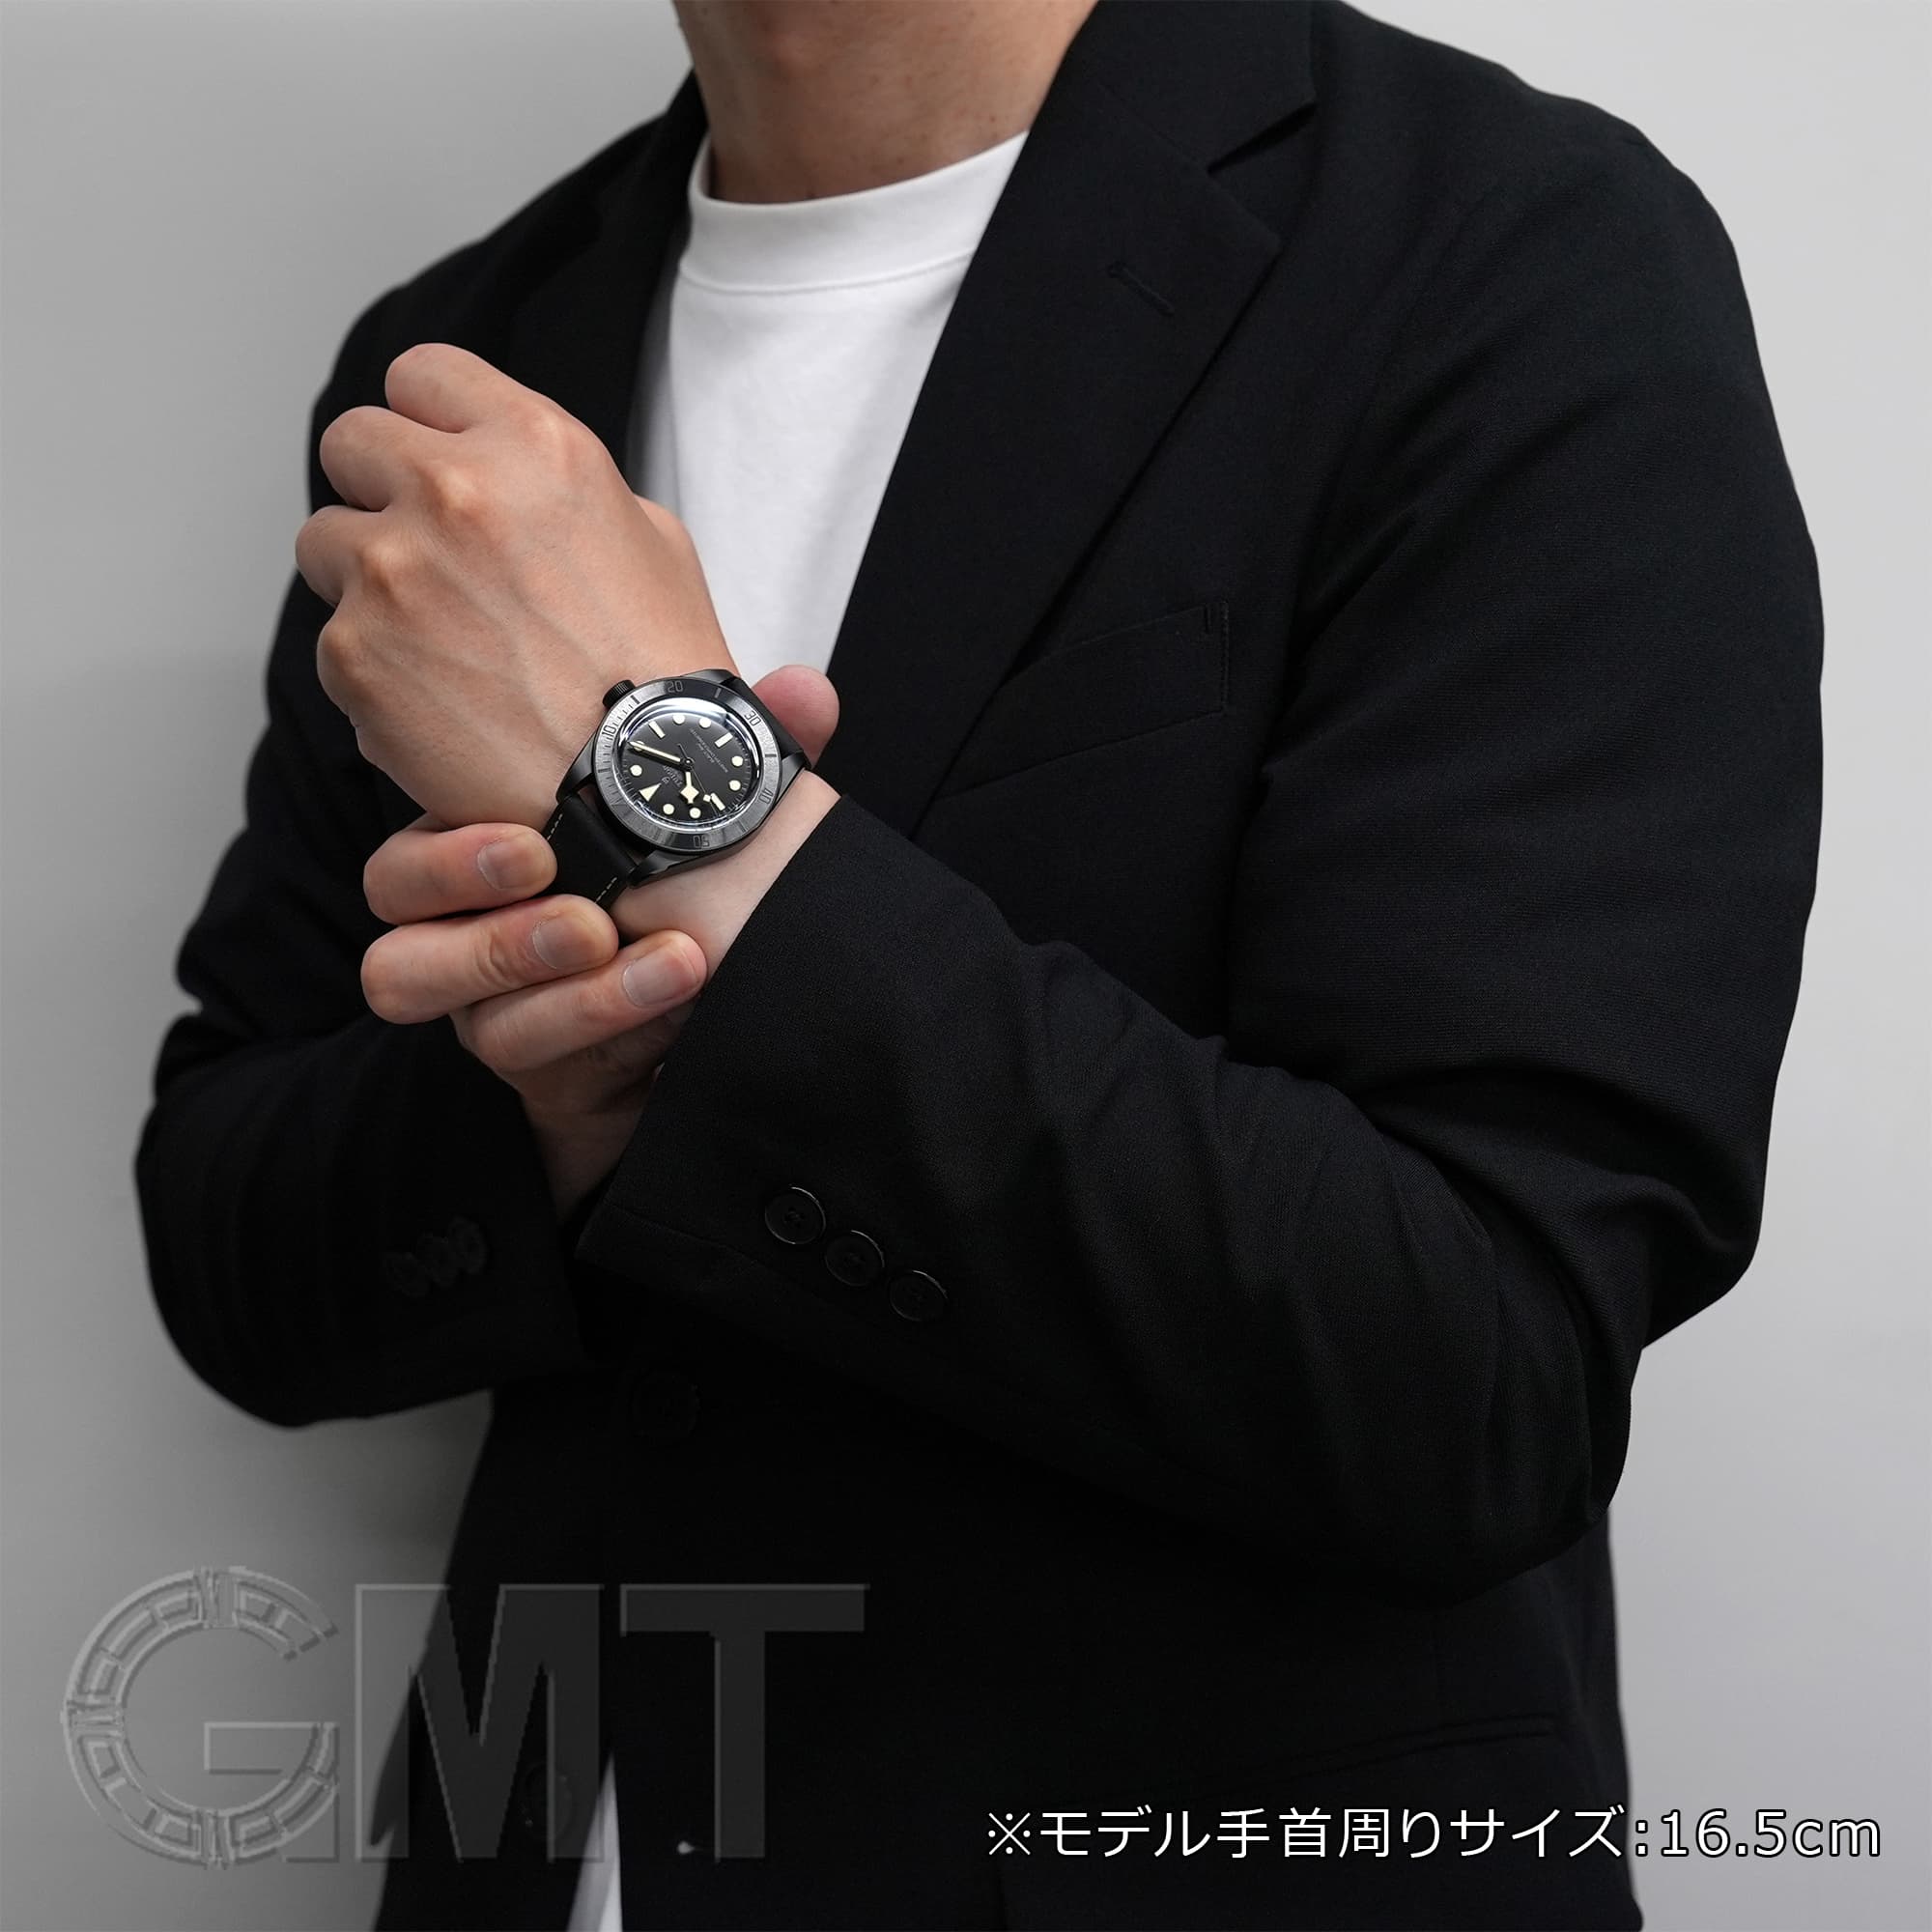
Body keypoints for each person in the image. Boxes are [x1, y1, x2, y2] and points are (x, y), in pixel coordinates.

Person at [134, 2, 1823, 1926]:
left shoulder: (1497, 247)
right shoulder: (467, 369)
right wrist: (559, 1110)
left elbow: (1474, 1369)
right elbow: (232, 1250)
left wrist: (695, 818)